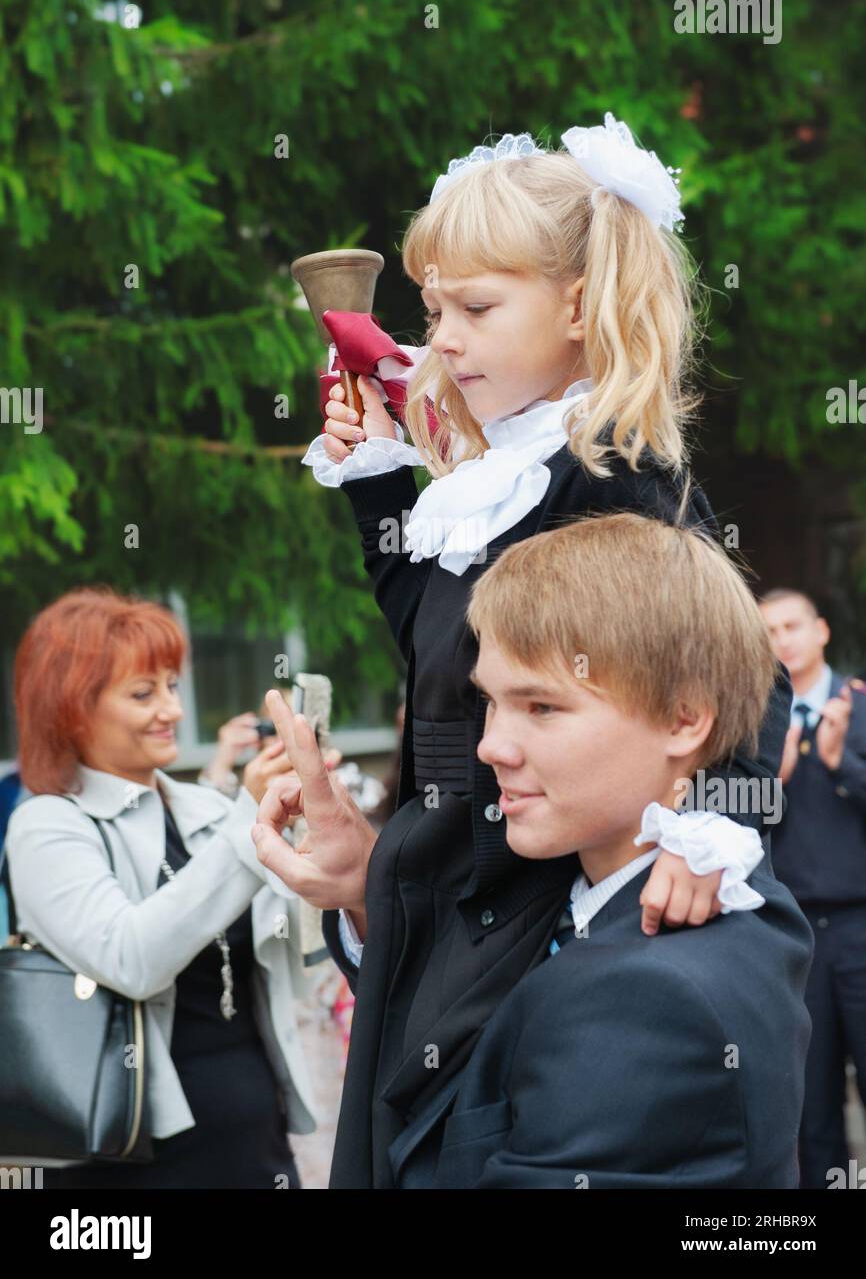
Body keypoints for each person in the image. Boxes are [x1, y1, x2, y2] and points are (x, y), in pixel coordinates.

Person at [261, 116, 793, 1188]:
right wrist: (377, 479)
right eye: (430, 309)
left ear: (580, 306)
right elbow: (441, 647)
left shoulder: (609, 474)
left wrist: (705, 830)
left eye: (475, 306)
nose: (442, 339)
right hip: (440, 896)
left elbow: (745, 680)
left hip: (523, 925)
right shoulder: (487, 477)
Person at [426, 513, 812, 1187]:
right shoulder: (594, 899)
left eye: (542, 707)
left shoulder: (649, 997)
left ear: (684, 720)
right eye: (490, 702)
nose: (492, 747)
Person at [5, 587, 317, 1189]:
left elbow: (299, 957)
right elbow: (133, 958)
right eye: (143, 693)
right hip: (131, 1157)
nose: (172, 709)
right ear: (73, 709)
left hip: (255, 1136)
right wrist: (250, 820)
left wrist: (317, 831)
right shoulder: (47, 824)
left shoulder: (206, 808)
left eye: (172, 685)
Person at [759, 587, 866, 1189]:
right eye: (768, 631)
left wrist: (839, 763)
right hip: (794, 938)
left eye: (793, 625)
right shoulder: (752, 723)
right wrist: (775, 777)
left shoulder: (861, 704)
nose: (782, 641)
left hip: (861, 925)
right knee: (809, 1104)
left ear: (821, 630)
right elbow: (725, 824)